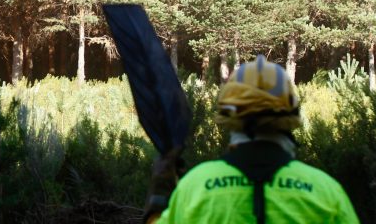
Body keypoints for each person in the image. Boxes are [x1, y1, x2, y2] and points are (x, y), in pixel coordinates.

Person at [147, 55, 359, 223]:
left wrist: (159, 201)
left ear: (227, 117)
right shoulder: (325, 191)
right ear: (291, 116)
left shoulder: (195, 186)